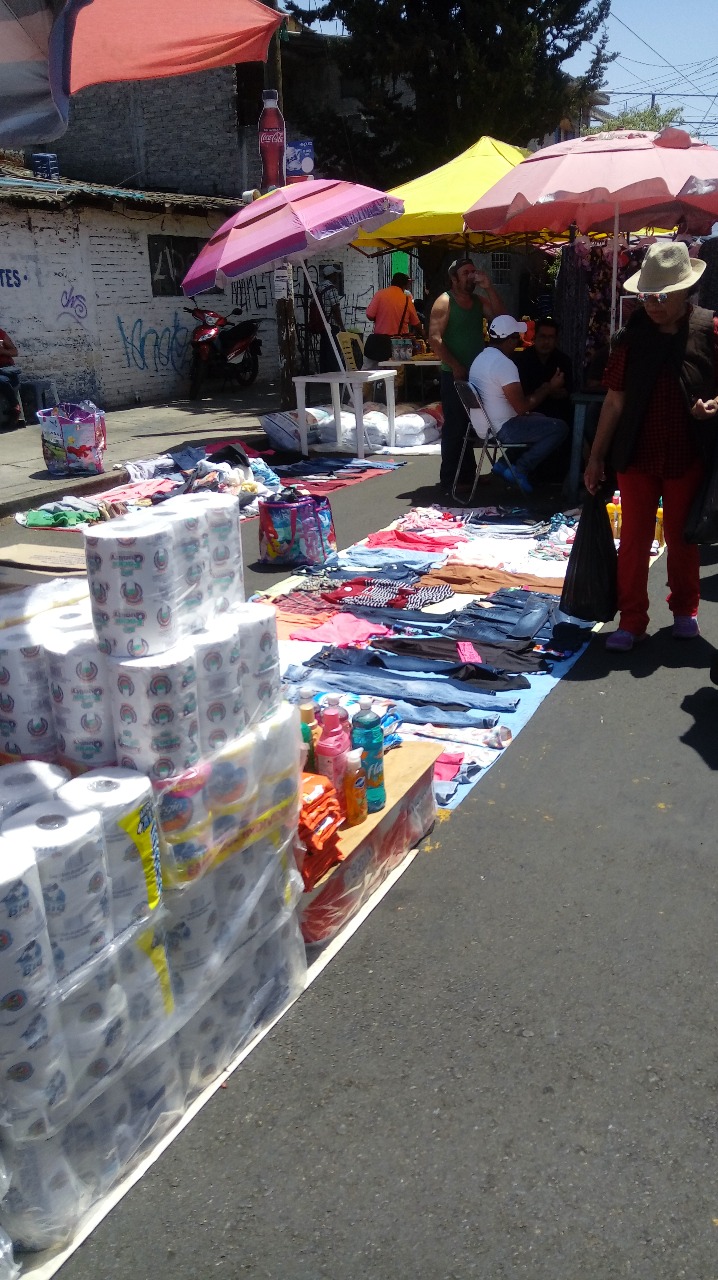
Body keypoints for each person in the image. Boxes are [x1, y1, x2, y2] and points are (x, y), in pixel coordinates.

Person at [584, 241, 718, 653]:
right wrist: (595, 458)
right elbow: (614, 399)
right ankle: (632, 620)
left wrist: (714, 405)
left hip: (687, 452)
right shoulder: (630, 335)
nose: (653, 305)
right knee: (635, 541)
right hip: (636, 453)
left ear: (684, 291)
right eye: (646, 296)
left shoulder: (709, 328)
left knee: (682, 539)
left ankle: (684, 611)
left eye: (661, 296)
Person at [468, 314, 569, 495]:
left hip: (483, 427)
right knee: (559, 427)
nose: (520, 341)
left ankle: (502, 464)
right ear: (509, 340)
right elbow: (522, 406)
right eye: (517, 337)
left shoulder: (480, 359)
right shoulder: (504, 364)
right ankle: (520, 469)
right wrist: (548, 388)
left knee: (541, 419)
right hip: (501, 428)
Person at [428, 258, 504, 493]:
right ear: (454, 278)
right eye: (466, 273)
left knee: (472, 426)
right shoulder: (445, 301)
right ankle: (450, 479)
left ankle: (467, 475)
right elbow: (435, 339)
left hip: (478, 374)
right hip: (455, 374)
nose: (471, 276)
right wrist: (455, 365)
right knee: (455, 427)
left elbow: (502, 320)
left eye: (473, 271)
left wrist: (489, 287)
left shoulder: (477, 301)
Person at [515, 317, 573, 423]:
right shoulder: (521, 360)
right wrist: (549, 389)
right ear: (535, 337)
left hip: (557, 414)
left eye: (551, 337)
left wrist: (546, 390)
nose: (546, 342)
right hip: (528, 415)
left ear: (556, 340)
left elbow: (568, 391)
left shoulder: (563, 360)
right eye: (543, 336)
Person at [317, 265, 344, 374]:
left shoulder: (319, 288)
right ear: (331, 275)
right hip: (331, 325)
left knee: (324, 351)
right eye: (335, 275)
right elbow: (335, 308)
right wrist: (341, 326)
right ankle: (334, 376)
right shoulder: (331, 288)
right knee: (334, 351)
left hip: (322, 324)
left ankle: (324, 374)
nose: (336, 277)